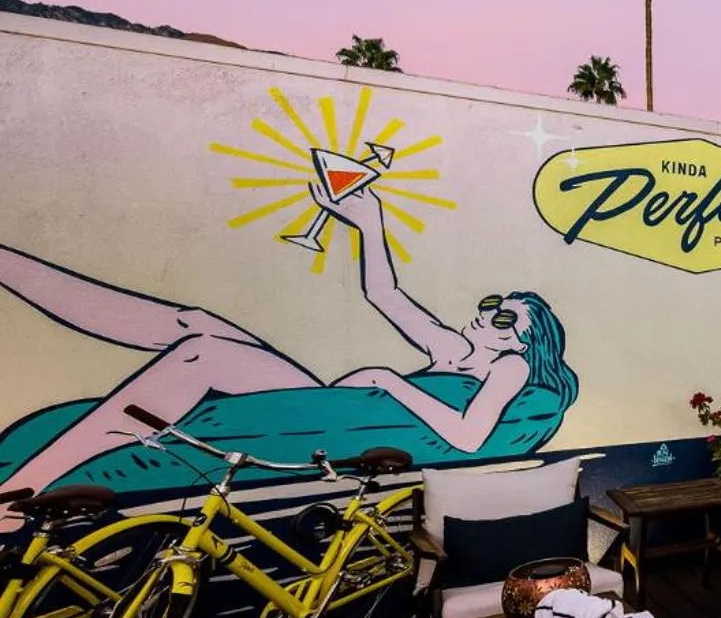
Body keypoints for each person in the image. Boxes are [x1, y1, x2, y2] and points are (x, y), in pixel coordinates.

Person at [0, 180, 577, 527]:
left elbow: (470, 437)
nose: (490, 312)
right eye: (492, 302)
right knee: (196, 323)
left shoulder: (510, 366)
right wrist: (366, 220)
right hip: (326, 402)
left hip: (329, 416)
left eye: (507, 316)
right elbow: (384, 293)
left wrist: (390, 381)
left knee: (203, 352)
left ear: (520, 338)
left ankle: (20, 495)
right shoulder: (453, 346)